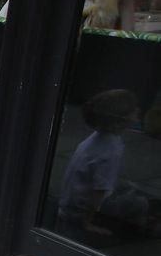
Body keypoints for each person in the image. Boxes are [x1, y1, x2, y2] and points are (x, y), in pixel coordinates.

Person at [57, 89, 158, 237]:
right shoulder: (109, 151)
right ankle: (142, 225)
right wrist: (87, 223)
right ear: (119, 122)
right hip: (78, 212)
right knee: (141, 202)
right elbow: (99, 192)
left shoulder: (98, 138)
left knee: (130, 188)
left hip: (70, 204)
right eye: (133, 110)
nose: (138, 110)